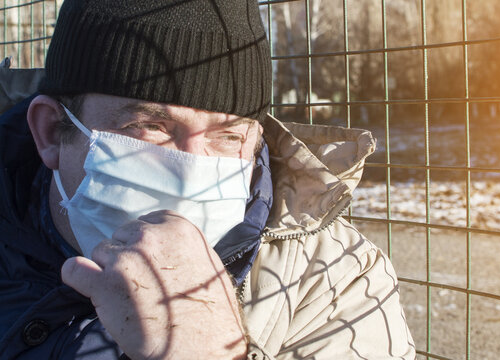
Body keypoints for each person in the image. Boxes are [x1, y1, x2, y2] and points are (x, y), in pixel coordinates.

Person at [0, 0, 416, 359]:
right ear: (52, 131)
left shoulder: (333, 275)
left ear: (255, 139)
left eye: (228, 136)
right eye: (150, 125)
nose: (190, 170)